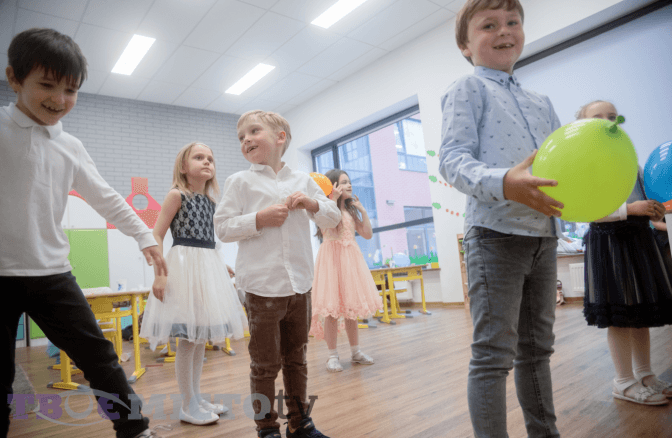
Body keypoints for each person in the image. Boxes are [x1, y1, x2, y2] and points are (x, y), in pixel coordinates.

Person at [1, 28, 167, 438]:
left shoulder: (70, 146)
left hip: (52, 274)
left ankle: (135, 429)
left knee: (99, 357)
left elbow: (106, 197)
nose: (59, 100)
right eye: (47, 85)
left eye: (71, 90)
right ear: (14, 78)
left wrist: (144, 235)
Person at [439, 1, 565, 436]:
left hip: (543, 236)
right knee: (493, 356)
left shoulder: (541, 102)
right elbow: (452, 160)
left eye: (513, 22)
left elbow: (561, 164)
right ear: (465, 46)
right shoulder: (467, 89)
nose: (504, 31)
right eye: (488, 25)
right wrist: (504, 182)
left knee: (537, 351)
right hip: (494, 236)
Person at [214, 110, 341, 438]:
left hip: (300, 285)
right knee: (264, 365)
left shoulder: (303, 181)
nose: (246, 140)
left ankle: (300, 424)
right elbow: (223, 228)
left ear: (280, 137)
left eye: (253, 132)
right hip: (261, 288)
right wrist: (258, 219)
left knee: (297, 360)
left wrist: (312, 204)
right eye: (241, 137)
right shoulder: (239, 182)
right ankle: (267, 428)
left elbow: (333, 217)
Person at [140, 142, 248, 424]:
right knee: (189, 340)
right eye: (199, 157)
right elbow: (157, 234)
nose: (207, 161)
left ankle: (197, 398)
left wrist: (219, 265)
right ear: (184, 166)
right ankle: (187, 405)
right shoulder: (177, 195)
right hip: (183, 268)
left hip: (206, 268)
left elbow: (207, 243)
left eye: (210, 158)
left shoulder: (211, 202)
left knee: (200, 339)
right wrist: (160, 274)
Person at [578, 100, 672, 405]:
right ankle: (623, 381)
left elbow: (649, 200)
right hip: (609, 242)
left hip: (638, 240)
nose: (608, 121)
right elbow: (586, 210)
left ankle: (645, 374)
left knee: (640, 313)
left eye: (613, 116)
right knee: (619, 315)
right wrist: (631, 209)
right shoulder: (583, 162)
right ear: (583, 126)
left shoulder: (631, 161)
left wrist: (656, 211)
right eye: (598, 117)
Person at [310, 169, 382, 372]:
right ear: (333, 186)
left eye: (349, 181)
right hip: (332, 261)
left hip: (350, 262)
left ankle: (356, 352)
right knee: (331, 311)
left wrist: (363, 211)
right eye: (344, 182)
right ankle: (332, 356)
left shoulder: (350, 211)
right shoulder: (326, 208)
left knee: (351, 310)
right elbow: (331, 222)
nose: (349, 185)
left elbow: (367, 234)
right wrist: (332, 199)